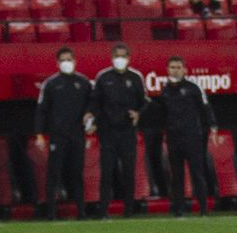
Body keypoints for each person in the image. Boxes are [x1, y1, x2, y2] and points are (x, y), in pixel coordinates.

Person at [34, 47, 96, 221]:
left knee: (77, 174)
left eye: (69, 59)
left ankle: (81, 212)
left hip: (77, 135)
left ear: (75, 61)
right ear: (57, 63)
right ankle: (51, 213)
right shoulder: (51, 84)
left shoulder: (84, 83)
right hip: (57, 136)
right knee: (54, 173)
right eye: (63, 60)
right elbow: (41, 110)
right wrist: (39, 134)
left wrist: (91, 122)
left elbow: (92, 107)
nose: (66, 62)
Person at [153, 56, 216, 218]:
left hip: (193, 138)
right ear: (168, 70)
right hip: (174, 139)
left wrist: (213, 126)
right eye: (172, 67)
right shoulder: (165, 91)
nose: (175, 70)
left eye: (178, 67)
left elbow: (206, 108)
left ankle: (203, 209)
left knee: (197, 173)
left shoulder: (194, 88)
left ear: (184, 70)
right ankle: (179, 210)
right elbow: (162, 115)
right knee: (176, 175)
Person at [92, 43, 147, 219]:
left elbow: (145, 102)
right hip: (107, 132)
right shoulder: (103, 77)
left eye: (123, 56)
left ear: (129, 58)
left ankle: (128, 212)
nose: (120, 59)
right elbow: (95, 103)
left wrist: (138, 113)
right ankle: (103, 211)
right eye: (117, 55)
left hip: (127, 132)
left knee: (129, 172)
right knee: (107, 172)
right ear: (112, 57)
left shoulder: (136, 77)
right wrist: (92, 119)